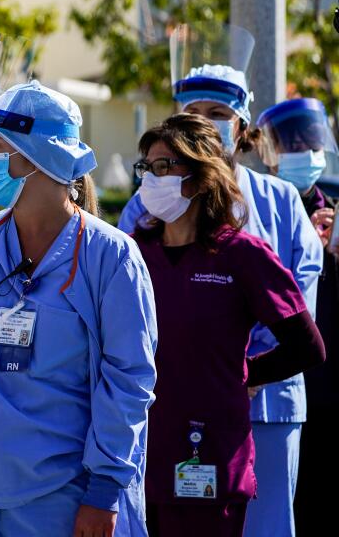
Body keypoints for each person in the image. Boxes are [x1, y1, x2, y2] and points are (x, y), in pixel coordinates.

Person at [0, 34, 158, 537]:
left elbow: (128, 381)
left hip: (66, 498)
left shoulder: (112, 256)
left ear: (39, 155)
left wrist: (105, 491)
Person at [116, 27, 323, 537]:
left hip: (266, 400)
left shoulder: (277, 201)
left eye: (218, 113)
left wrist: (242, 367)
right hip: (172, 405)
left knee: (268, 522)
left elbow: (300, 291)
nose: (205, 121)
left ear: (242, 124)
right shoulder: (144, 216)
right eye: (194, 113)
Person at [254, 99, 339, 532]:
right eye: (290, 143)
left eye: (309, 140)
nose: (303, 151)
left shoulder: (334, 204)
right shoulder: (262, 205)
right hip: (291, 381)